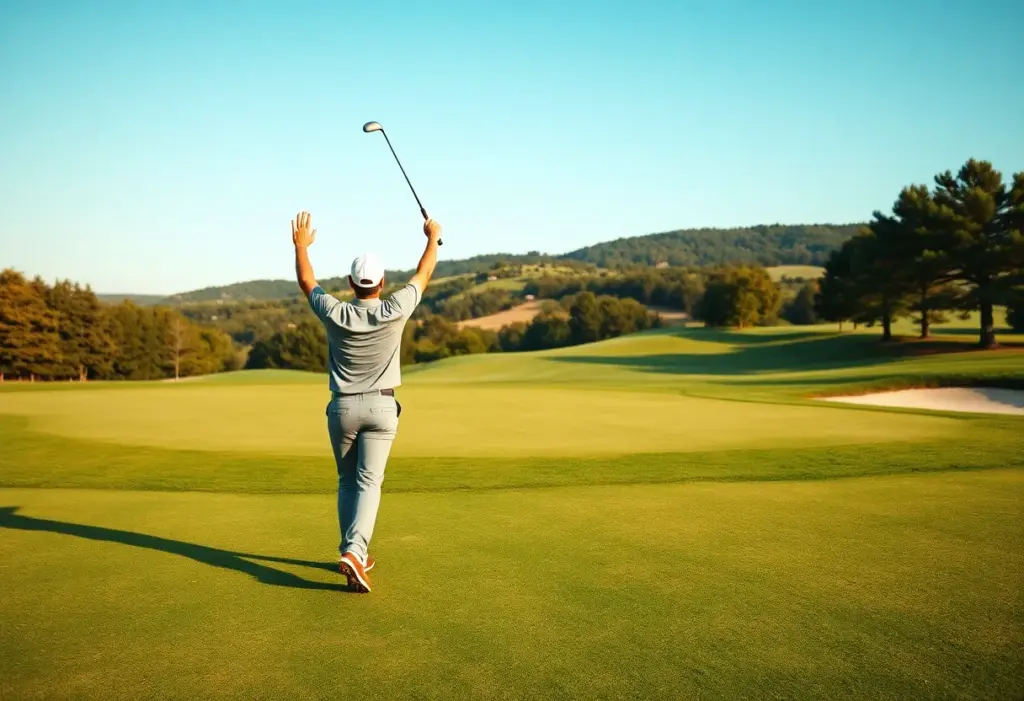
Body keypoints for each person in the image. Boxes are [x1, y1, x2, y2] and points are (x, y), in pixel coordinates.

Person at [291, 210, 441, 593]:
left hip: (341, 408)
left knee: (347, 480)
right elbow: (424, 274)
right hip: (380, 407)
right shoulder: (394, 310)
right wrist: (431, 236)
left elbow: (307, 281)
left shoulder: (335, 312)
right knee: (369, 481)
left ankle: (351, 549)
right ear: (381, 283)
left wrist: (300, 246)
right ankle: (356, 552)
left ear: (350, 283)